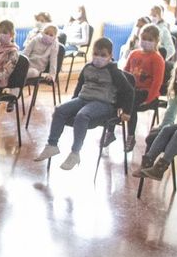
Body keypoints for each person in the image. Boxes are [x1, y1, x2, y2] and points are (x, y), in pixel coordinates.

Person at [37, 38, 134, 170]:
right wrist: (72, 103)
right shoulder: (87, 68)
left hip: (103, 103)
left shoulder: (114, 72)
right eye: (95, 54)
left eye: (103, 55)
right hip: (83, 99)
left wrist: (127, 111)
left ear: (110, 56)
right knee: (60, 110)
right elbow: (79, 86)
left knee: (82, 116)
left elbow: (129, 91)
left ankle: (75, 152)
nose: (98, 58)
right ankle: (52, 145)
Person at [123, 24, 167, 108]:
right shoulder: (133, 53)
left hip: (147, 92)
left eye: (150, 39)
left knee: (131, 99)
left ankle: (129, 118)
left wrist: (150, 99)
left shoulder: (157, 58)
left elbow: (157, 82)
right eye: (143, 38)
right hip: (132, 89)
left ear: (157, 41)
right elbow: (125, 72)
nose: (146, 41)